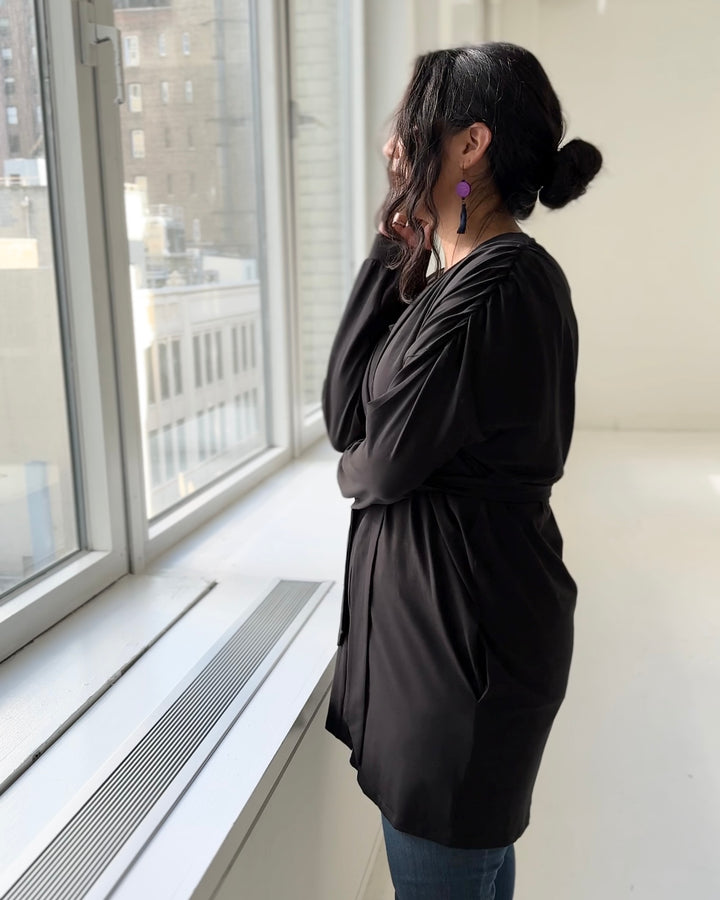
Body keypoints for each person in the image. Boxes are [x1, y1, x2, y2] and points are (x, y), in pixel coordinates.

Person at [322, 42, 602, 900]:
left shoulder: (500, 287)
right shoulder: (455, 280)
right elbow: (347, 418)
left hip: (463, 667)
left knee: (451, 867)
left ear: (470, 144)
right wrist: (393, 249)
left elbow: (378, 466)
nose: (392, 144)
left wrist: (358, 469)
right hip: (445, 655)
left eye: (411, 123)